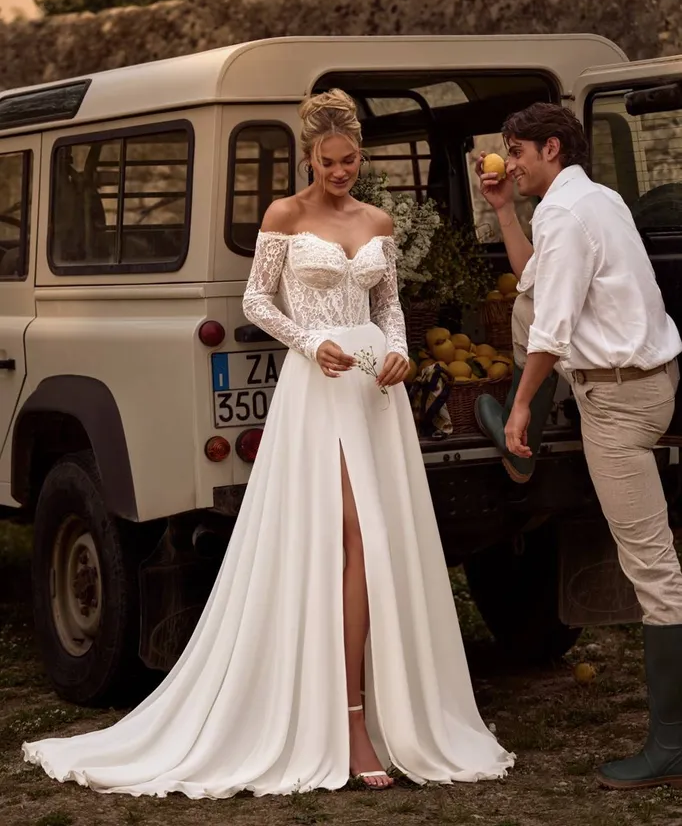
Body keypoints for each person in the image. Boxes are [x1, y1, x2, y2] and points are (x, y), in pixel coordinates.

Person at [22, 89, 513, 798]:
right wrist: (311, 342)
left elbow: (389, 306)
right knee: (351, 536)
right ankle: (347, 723)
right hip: (320, 387)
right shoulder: (286, 215)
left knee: (380, 544)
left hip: (375, 389)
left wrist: (401, 354)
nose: (342, 171)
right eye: (329, 161)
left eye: (351, 160)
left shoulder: (377, 220)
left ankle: (387, 707)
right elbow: (258, 300)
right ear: (309, 155)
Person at [475, 101, 682, 790]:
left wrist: (523, 406)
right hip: (643, 385)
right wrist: (505, 209)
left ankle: (670, 745)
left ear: (553, 148)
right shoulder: (595, 200)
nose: (511, 159)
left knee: (655, 573)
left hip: (617, 402)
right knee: (526, 298)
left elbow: (552, 329)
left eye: (518, 151)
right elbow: (537, 284)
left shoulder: (566, 214)